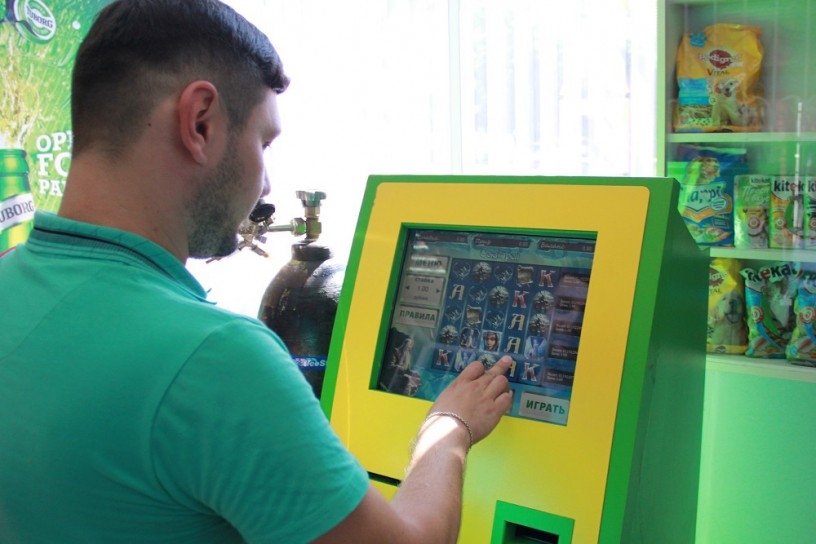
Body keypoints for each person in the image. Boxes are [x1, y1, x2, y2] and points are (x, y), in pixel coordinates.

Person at [0, 1, 513, 543]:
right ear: (200, 122)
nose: (266, 183)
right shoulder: (215, 359)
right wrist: (448, 426)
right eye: (263, 143)